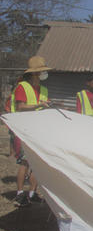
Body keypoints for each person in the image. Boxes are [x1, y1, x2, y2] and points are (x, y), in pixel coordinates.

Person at [10, 56, 52, 207]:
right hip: (24, 130)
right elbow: (20, 106)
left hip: (38, 130)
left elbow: (43, 106)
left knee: (36, 163)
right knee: (25, 162)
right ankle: (20, 194)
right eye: (41, 72)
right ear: (34, 74)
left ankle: (32, 193)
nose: (43, 75)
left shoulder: (44, 90)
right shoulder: (22, 87)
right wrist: (37, 105)